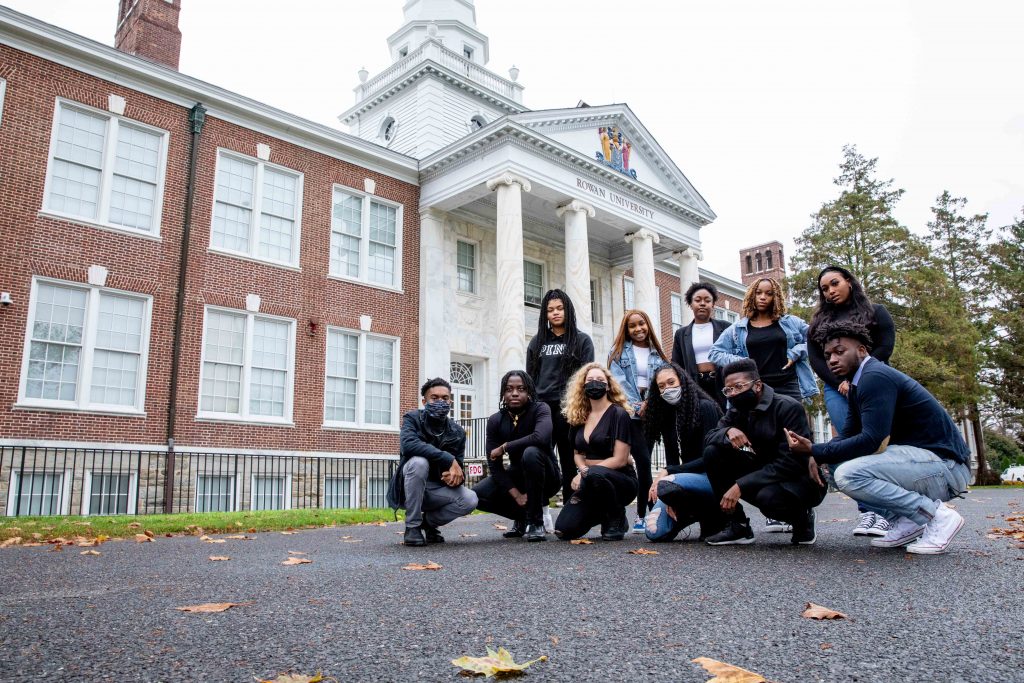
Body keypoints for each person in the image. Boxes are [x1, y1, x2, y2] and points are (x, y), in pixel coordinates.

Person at [786, 322, 971, 555]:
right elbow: (848, 434)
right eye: (828, 355)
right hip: (923, 464)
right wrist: (818, 454)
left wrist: (815, 450)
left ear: (862, 350)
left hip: (946, 466)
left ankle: (936, 515)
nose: (832, 359)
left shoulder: (875, 377)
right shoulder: (857, 384)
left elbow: (871, 440)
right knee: (837, 465)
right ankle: (908, 520)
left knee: (849, 474)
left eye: (839, 352)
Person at [807, 266, 897, 538]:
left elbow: (885, 347)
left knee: (877, 444)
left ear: (848, 281)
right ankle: (868, 511)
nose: (830, 291)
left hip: (873, 385)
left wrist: (859, 377)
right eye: (824, 288)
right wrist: (839, 383)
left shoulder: (875, 311)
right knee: (848, 443)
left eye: (834, 283)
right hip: (838, 390)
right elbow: (816, 359)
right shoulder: (818, 322)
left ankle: (887, 513)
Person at [702, 359, 827, 546]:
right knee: (713, 452)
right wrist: (727, 431)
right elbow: (709, 437)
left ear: (757, 385)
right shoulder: (737, 411)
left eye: (738, 387)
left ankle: (803, 520)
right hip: (764, 471)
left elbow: (791, 463)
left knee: (768, 498)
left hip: (797, 479)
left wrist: (740, 486)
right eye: (728, 390)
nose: (733, 394)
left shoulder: (787, 407)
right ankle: (739, 526)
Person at [553, 362, 638, 541]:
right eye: (590, 380)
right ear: (583, 385)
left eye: (600, 379)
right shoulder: (578, 415)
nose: (594, 383)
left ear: (608, 385)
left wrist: (585, 471)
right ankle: (603, 511)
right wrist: (585, 470)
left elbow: (621, 460)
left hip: (621, 481)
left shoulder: (618, 414)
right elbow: (577, 454)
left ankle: (616, 516)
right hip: (592, 481)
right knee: (564, 529)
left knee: (595, 475)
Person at [389, 378, 478, 547]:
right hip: (409, 488)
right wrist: (447, 458)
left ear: (450, 401)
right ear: (424, 401)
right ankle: (413, 527)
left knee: (470, 499)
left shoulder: (457, 432)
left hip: (436, 489)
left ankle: (428, 524)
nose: (440, 402)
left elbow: (458, 466)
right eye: (434, 398)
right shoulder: (413, 418)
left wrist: (456, 477)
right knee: (419, 463)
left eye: (445, 398)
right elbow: (408, 445)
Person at [473, 370, 561, 542]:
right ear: (503, 393)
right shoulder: (495, 420)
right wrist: (516, 494)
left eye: (520, 389)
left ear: (529, 392)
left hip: (546, 475)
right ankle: (523, 517)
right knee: (475, 496)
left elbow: (540, 437)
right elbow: (495, 466)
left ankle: (537, 523)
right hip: (518, 476)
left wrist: (505, 446)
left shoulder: (541, 409)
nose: (514, 393)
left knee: (531, 452)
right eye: (509, 389)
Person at [641, 362, 724, 542]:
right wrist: (670, 496)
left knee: (665, 483)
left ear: (683, 381)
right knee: (654, 531)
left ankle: (711, 516)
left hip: (710, 477)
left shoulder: (705, 407)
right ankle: (687, 512)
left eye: (671, 382)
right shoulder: (667, 416)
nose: (667, 389)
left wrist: (669, 473)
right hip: (684, 480)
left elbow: (708, 459)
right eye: (661, 386)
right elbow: (672, 459)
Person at [526, 289, 595, 504]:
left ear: (568, 310)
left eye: (559, 308)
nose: (555, 313)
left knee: (568, 460)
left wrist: (583, 410)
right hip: (542, 409)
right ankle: (538, 511)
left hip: (569, 409)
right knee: (539, 458)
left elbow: (587, 377)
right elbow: (530, 378)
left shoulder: (582, 340)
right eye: (550, 310)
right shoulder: (537, 343)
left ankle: (569, 509)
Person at [709, 277, 818, 404]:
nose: (763, 297)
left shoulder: (790, 322)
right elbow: (714, 353)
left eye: (769, 293)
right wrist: (742, 361)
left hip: (788, 385)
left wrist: (795, 353)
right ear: (752, 296)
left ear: (775, 297)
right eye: (758, 292)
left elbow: (816, 339)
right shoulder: (737, 329)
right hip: (755, 388)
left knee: (791, 423)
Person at [608, 309, 667, 533]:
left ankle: (645, 513)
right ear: (626, 330)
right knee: (642, 461)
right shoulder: (619, 352)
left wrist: (649, 404)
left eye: (641, 324)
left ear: (647, 324)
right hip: (629, 415)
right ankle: (644, 513)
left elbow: (663, 380)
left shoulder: (657, 354)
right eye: (632, 326)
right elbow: (618, 382)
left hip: (652, 414)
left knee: (645, 461)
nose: (638, 329)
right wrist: (636, 405)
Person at [672, 281, 731, 411]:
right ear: (691, 304)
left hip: (722, 383)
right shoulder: (681, 334)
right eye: (697, 300)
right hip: (695, 385)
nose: (702, 303)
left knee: (725, 418)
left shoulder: (726, 328)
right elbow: (677, 364)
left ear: (713, 304)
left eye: (707, 300)